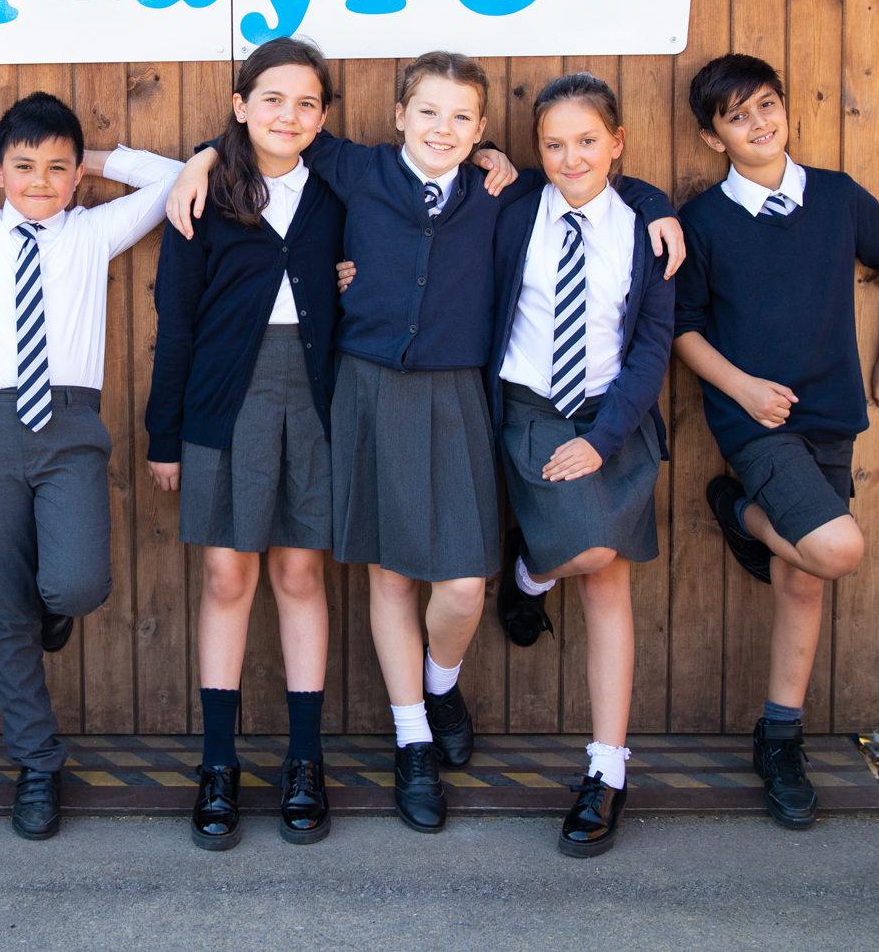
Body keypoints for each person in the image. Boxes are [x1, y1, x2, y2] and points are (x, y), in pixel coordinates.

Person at [169, 50, 683, 832]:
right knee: (390, 574)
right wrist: (201, 158)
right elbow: (274, 130)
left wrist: (653, 201)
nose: (443, 128)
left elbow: (590, 185)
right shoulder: (358, 168)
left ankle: (441, 683)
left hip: (458, 392)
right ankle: (412, 740)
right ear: (399, 116)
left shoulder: (500, 193)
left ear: (482, 130)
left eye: (462, 117)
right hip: (368, 387)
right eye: (429, 112)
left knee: (463, 585)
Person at [0, 92, 183, 841]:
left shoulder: (92, 231)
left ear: (76, 174)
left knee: (75, 584)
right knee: (2, 603)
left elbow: (176, 178)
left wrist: (100, 161)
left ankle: (55, 605)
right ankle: (37, 763)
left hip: (71, 423)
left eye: (57, 167)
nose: (40, 181)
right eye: (23, 166)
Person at [672, 52, 879, 829]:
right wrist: (744, 387)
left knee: (804, 575)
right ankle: (735, 503)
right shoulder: (703, 221)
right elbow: (682, 327)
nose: (758, 122)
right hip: (755, 424)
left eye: (767, 104)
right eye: (737, 116)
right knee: (837, 548)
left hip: (830, 415)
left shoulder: (837, 198)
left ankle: (779, 737)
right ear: (714, 137)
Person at [146, 39, 345, 849]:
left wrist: (497, 157)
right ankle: (219, 762)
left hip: (317, 398)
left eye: (306, 103)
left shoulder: (337, 189)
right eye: (271, 98)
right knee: (228, 574)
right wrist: (165, 434)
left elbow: (430, 168)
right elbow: (176, 321)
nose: (288, 115)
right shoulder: (205, 191)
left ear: (323, 117)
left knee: (299, 570)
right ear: (240, 105)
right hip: (225, 400)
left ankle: (305, 760)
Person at [489, 74, 674, 857]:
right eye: (555, 144)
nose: (572, 158)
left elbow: (653, 345)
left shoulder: (647, 227)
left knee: (606, 578)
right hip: (533, 407)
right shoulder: (511, 209)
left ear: (617, 142)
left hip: (614, 414)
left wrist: (604, 437)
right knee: (591, 550)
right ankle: (533, 567)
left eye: (588, 141)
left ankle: (607, 767)